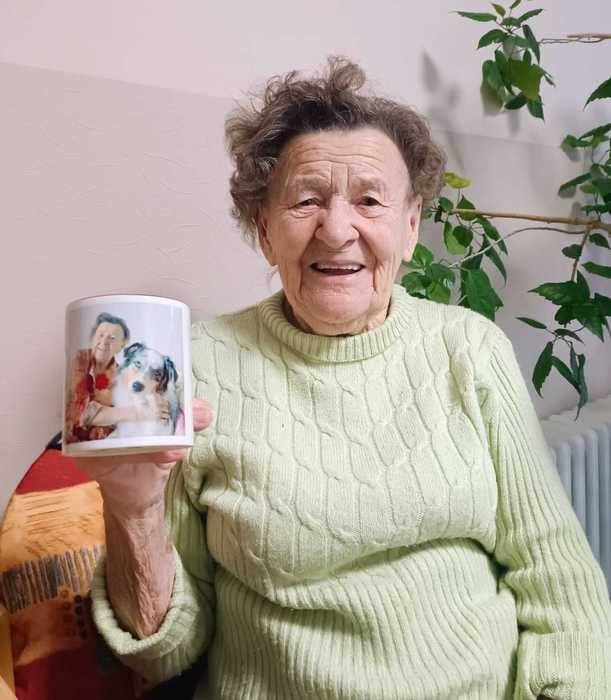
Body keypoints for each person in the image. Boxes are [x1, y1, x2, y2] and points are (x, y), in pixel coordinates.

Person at [76, 58, 611, 699]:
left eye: (370, 201)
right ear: (264, 230)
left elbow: (558, 579)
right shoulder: (195, 367)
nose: (336, 230)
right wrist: (133, 510)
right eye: (306, 201)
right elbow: (167, 653)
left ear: (409, 228)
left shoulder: (469, 348)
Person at [65, 312, 169, 442]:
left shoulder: (122, 374)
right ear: (92, 337)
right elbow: (80, 413)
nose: (104, 342)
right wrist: (139, 413)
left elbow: (140, 403)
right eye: (100, 335)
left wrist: (159, 408)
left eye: (112, 338)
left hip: (106, 443)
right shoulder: (79, 360)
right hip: (76, 442)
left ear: (122, 345)